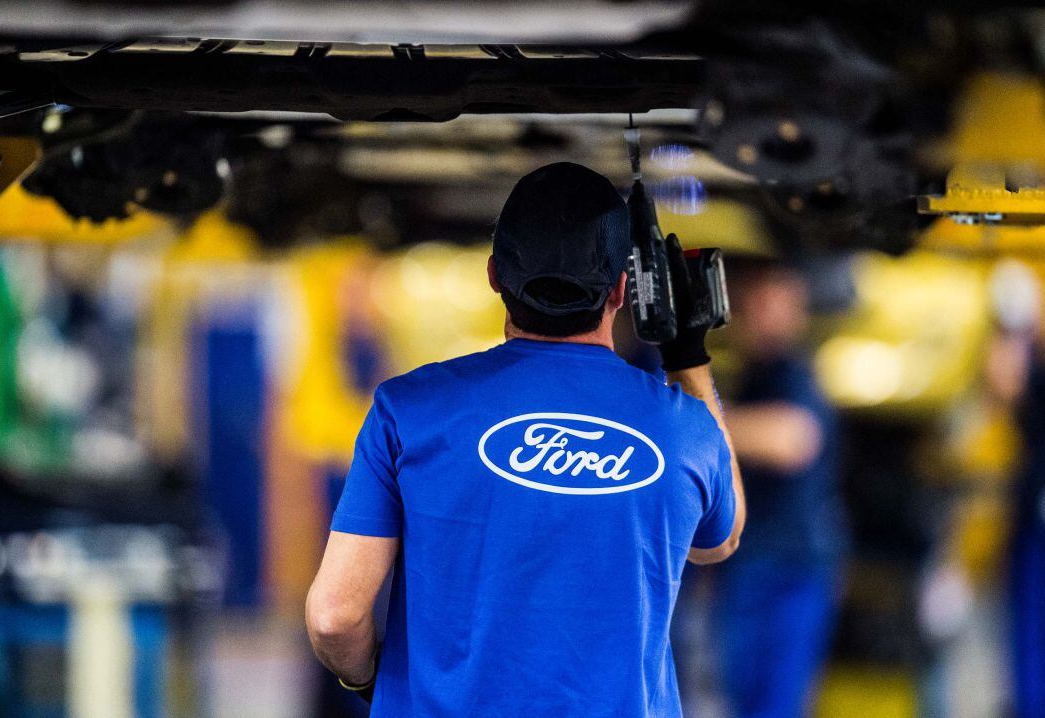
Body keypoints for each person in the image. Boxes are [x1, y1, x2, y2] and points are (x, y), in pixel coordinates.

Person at [304, 161, 745, 717]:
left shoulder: (408, 410)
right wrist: (688, 357)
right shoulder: (684, 426)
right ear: (621, 290)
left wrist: (374, 680)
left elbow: (334, 616)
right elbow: (718, 540)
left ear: (493, 275)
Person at [706, 257, 846, 718]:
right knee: (744, 695)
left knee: (772, 702)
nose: (756, 310)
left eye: (770, 298)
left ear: (796, 306)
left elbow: (792, 439)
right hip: (755, 564)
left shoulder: (794, 372)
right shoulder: (752, 376)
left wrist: (696, 429)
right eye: (750, 300)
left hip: (790, 568)